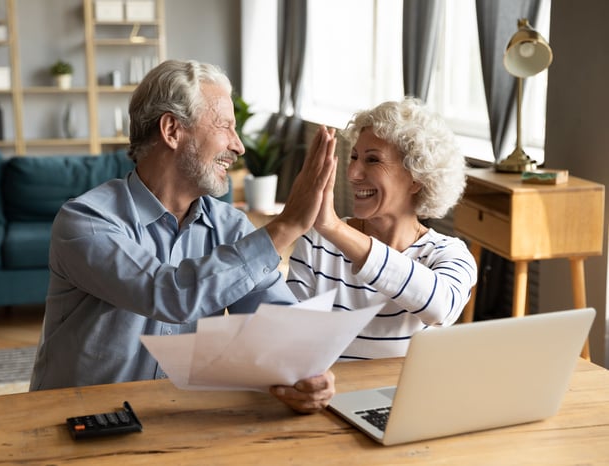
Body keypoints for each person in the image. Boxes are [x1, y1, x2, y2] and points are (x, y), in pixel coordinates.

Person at [29, 59, 337, 414]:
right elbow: (169, 295)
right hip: (76, 422)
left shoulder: (230, 227)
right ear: (172, 130)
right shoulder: (86, 221)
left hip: (172, 418)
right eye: (225, 126)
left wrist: (305, 370)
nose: (238, 147)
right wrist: (285, 227)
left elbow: (274, 321)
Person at [287, 97, 477, 360]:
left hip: (407, 398)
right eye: (354, 157)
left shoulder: (448, 254)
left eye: (373, 160)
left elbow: (441, 308)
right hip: (330, 396)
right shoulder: (317, 243)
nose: (353, 173)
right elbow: (290, 339)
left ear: (416, 179)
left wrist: (333, 228)